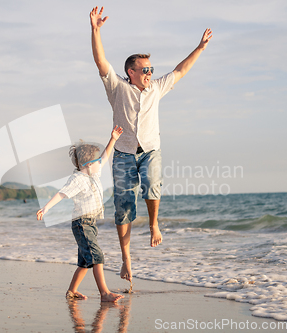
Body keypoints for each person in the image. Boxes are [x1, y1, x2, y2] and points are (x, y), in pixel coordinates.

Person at [90, 6, 213, 282]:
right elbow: (100, 62)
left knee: (152, 184)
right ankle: (126, 260)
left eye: (151, 69)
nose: (150, 73)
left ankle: (154, 225)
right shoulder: (117, 88)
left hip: (150, 151)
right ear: (131, 72)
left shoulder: (157, 87)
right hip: (122, 154)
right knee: (123, 208)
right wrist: (95, 31)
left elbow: (180, 71)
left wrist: (200, 48)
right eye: (145, 69)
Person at [36, 126, 124, 302]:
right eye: (97, 161)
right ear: (88, 165)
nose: (101, 163)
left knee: (85, 261)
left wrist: (113, 139)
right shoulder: (78, 179)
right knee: (97, 256)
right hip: (81, 224)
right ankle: (104, 293)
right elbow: (62, 193)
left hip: (89, 223)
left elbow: (105, 157)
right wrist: (46, 207)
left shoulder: (93, 175)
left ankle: (72, 291)